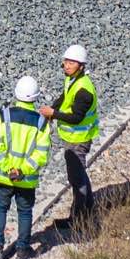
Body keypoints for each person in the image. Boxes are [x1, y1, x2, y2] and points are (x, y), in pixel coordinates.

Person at [0, 76, 56, 259]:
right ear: (35, 97)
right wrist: (22, 170)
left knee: (0, 208)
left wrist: (8, 168)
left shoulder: (5, 115)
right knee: (25, 212)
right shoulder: (42, 122)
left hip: (4, 176)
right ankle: (23, 248)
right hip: (26, 179)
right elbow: (41, 154)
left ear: (16, 93)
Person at [52, 46, 99, 238]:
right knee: (78, 175)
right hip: (72, 139)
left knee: (76, 179)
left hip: (78, 140)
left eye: (71, 63)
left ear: (81, 66)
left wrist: (54, 114)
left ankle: (78, 221)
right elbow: (64, 97)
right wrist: (53, 108)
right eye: (66, 61)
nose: (67, 65)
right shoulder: (72, 80)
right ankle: (87, 208)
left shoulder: (84, 91)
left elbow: (76, 118)